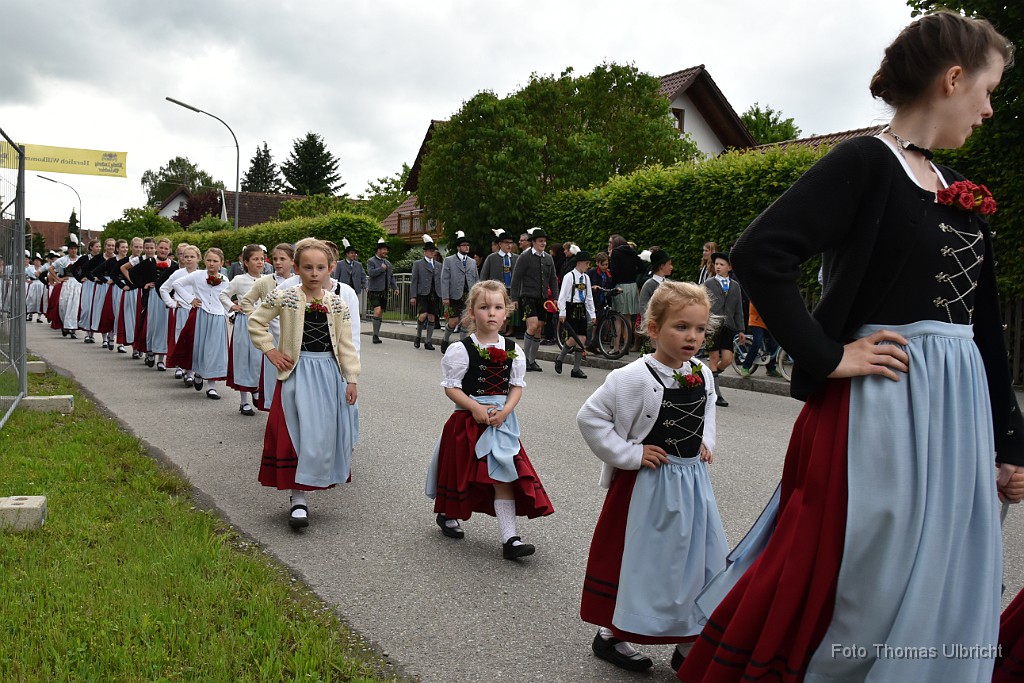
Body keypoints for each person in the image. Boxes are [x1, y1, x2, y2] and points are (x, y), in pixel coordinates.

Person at [678, 12, 1024, 682]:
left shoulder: (955, 187)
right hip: (883, 407)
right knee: (867, 579)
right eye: (988, 90)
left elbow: (985, 329)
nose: (988, 108)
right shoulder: (869, 161)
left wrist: (1011, 444)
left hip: (957, 414)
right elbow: (762, 252)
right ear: (953, 80)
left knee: (944, 567)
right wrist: (829, 355)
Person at [578, 281, 726, 674]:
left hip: (691, 483)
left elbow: (708, 407)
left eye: (699, 329)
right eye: (681, 327)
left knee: (693, 560)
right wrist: (631, 454)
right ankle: (612, 634)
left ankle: (688, 639)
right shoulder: (632, 378)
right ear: (653, 327)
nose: (692, 337)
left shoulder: (702, 373)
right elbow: (590, 418)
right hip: (646, 486)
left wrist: (705, 441)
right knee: (644, 561)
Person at [425, 280, 553, 558]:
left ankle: (510, 538)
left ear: (507, 312)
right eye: (484, 307)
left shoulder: (513, 349)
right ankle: (448, 513)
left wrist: (506, 411)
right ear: (472, 312)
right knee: (462, 474)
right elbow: (451, 386)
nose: (491, 313)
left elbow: (516, 386)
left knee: (504, 473)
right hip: (468, 421)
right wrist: (473, 406)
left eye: (497, 307)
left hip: (501, 423)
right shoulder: (461, 350)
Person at [248, 239, 360, 530]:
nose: (314, 273)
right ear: (296, 269)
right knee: (296, 432)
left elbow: (346, 345)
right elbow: (256, 322)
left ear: (330, 269)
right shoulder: (285, 297)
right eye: (307, 267)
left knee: (321, 434)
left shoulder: (337, 303)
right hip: (296, 373)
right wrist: (271, 351)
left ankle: (312, 486)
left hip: (328, 374)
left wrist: (352, 378)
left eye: (320, 267)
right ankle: (298, 497)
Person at [239, 243, 295, 412]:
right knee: (273, 377)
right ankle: (275, 411)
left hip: (293, 336)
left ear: (293, 261)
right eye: (275, 259)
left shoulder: (299, 282)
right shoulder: (265, 282)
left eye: (283, 259)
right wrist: (259, 317)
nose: (278, 263)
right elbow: (246, 301)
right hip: (273, 338)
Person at [168, 248, 230, 400]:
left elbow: (225, 299)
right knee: (199, 347)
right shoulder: (197, 275)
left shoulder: (225, 280)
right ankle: (198, 373)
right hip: (201, 315)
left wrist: (231, 312)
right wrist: (190, 299)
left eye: (215, 261)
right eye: (209, 260)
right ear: (204, 261)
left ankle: (212, 387)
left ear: (221, 263)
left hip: (217, 317)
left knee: (214, 351)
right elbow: (177, 284)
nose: (211, 264)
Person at [221, 244, 267, 415]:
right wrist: (233, 306)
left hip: (262, 323)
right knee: (243, 360)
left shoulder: (267, 279)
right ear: (246, 262)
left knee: (259, 359)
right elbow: (223, 294)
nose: (260, 262)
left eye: (262, 259)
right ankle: (244, 401)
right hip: (244, 323)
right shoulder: (239, 280)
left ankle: (256, 389)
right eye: (256, 259)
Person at [510, 227, 559, 372]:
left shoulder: (548, 258)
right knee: (532, 325)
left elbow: (553, 280)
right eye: (540, 241)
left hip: (542, 298)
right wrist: (514, 298)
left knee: (539, 329)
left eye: (544, 241)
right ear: (533, 242)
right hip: (528, 295)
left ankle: (532, 360)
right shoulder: (524, 257)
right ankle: (524, 358)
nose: (543, 243)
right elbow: (516, 278)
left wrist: (555, 297)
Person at [702, 252, 745, 407]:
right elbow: (702, 304)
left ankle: (710, 377)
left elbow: (739, 309)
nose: (718, 267)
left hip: (728, 327)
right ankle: (716, 395)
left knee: (727, 359)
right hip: (712, 325)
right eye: (716, 264)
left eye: (721, 264)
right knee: (713, 358)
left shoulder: (735, 286)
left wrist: (741, 329)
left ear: (730, 267)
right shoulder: (709, 284)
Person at [160, 244, 201, 383]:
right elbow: (163, 289)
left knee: (194, 340)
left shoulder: (202, 274)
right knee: (180, 338)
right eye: (186, 256)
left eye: (192, 257)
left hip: (197, 312)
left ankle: (190, 371)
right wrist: (171, 303)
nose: (188, 259)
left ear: (198, 259)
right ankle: (180, 366)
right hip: (182, 310)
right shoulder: (178, 274)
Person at [555, 246, 595, 378]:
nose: (588, 266)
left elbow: (589, 297)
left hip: (581, 308)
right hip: (571, 307)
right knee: (574, 337)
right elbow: (562, 295)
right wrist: (562, 311)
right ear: (579, 263)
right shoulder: (569, 276)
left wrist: (592, 314)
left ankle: (576, 369)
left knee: (582, 338)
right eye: (586, 263)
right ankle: (560, 358)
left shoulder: (587, 278)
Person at [440, 230, 479, 352]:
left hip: (469, 295)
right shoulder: (449, 260)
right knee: (454, 321)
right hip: (454, 295)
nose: (466, 247)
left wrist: (478, 295)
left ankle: (463, 347)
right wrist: (445, 296)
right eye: (464, 245)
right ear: (458, 247)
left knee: (466, 321)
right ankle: (445, 338)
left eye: (468, 245)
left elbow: (476, 279)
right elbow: (444, 279)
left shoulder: (472, 262)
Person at [479, 229, 519, 335]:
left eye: (511, 243)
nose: (509, 245)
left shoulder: (516, 258)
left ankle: (501, 336)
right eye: (506, 243)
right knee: (498, 314)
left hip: (511, 291)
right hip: (496, 291)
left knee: (508, 315)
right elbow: (483, 277)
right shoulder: (492, 258)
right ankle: (496, 335)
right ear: (500, 244)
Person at [409, 235, 442, 350]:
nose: (432, 253)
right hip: (422, 293)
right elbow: (414, 280)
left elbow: (440, 280)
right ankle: (418, 336)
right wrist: (413, 296)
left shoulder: (438, 265)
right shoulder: (418, 264)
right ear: (425, 252)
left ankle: (428, 341)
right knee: (423, 315)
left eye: (433, 251)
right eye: (429, 251)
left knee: (432, 316)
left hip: (434, 293)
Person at [366, 238, 398, 344]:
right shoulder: (371, 261)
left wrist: (395, 288)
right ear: (378, 250)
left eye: (386, 250)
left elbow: (391, 276)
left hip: (384, 291)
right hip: (374, 290)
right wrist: (381, 269)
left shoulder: (388, 262)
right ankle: (375, 335)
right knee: (377, 310)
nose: (385, 252)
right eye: (383, 249)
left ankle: (377, 333)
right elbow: (371, 273)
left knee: (380, 313)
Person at [738, 301, 782, 378]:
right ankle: (745, 367)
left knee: (773, 345)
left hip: (769, 323)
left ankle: (770, 369)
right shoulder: (757, 292)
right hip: (756, 322)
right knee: (757, 343)